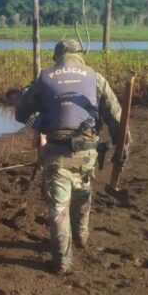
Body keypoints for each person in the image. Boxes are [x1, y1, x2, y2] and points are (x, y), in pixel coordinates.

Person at [15, 39, 124, 275]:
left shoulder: (44, 77)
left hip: (56, 155)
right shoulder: (95, 77)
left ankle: (63, 262)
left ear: (57, 56)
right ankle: (82, 236)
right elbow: (117, 117)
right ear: (79, 55)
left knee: (58, 207)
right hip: (86, 154)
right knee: (84, 186)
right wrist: (122, 148)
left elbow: (20, 113)